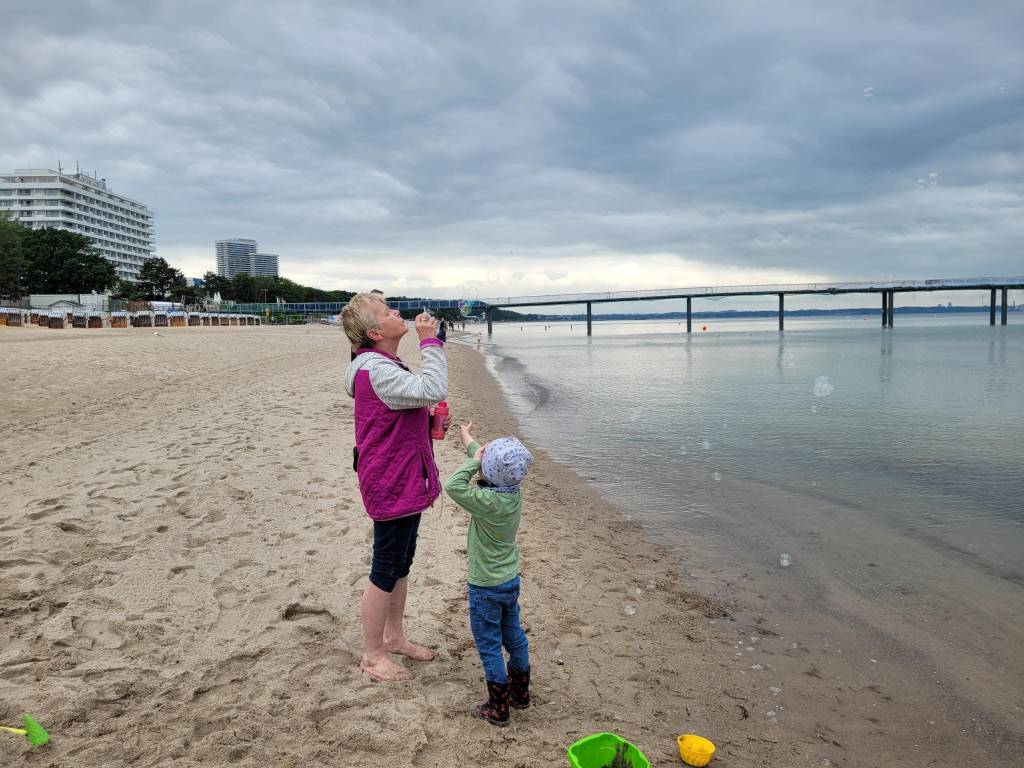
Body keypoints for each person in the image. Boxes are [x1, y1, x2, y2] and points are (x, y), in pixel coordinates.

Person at [343, 292, 448, 682]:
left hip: (403, 475)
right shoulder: (377, 369)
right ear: (375, 331)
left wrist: (426, 423)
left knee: (401, 563)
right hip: (391, 480)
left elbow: (401, 411)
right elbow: (433, 387)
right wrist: (430, 341)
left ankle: (394, 637)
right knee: (385, 567)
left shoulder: (381, 365)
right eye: (387, 312)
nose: (397, 313)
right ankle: (372, 655)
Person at [444, 421, 533, 726]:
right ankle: (520, 694)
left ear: (485, 472)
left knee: (489, 644)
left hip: (485, 586)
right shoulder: (513, 493)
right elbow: (494, 465)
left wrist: (472, 460)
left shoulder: (487, 502)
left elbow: (454, 485)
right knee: (514, 635)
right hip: (510, 580)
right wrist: (467, 437)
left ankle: (498, 707)